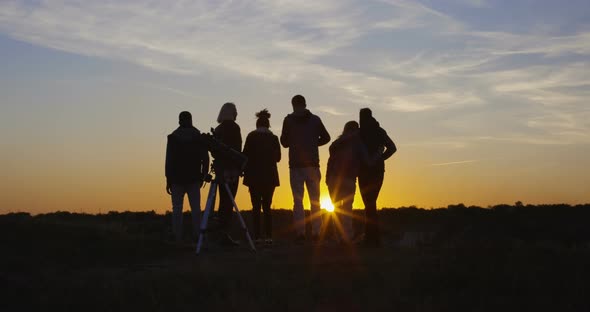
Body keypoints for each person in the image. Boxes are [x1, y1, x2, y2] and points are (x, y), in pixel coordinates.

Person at [280, 94, 331, 242]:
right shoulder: (315, 120)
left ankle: (300, 233)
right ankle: (316, 232)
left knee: (298, 201)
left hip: (296, 165)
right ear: (305, 104)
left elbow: (284, 142)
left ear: (293, 105)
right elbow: (326, 138)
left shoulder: (288, 120)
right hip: (313, 165)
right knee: (315, 200)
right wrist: (313, 143)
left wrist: (295, 142)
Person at [165, 111, 210, 242]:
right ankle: (199, 237)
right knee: (196, 209)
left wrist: (168, 179)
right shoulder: (198, 136)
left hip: (177, 179)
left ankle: (177, 237)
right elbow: (205, 158)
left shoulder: (173, 137)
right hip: (194, 178)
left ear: (179, 121)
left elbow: (169, 160)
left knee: (177, 209)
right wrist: (204, 174)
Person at [358, 108, 397, 246]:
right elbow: (392, 147)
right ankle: (372, 238)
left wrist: (380, 159)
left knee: (369, 204)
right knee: (370, 204)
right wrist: (380, 159)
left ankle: (371, 238)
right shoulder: (379, 131)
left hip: (365, 172)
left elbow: (392, 147)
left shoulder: (360, 132)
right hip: (377, 171)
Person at [326, 121, 369, 243]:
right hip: (347, 179)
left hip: (334, 179)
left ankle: (340, 236)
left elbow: (331, 156)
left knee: (338, 209)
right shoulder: (357, 143)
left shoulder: (337, 143)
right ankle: (347, 236)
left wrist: (327, 179)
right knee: (346, 209)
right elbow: (366, 160)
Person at [242, 109, 281, 244]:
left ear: (257, 124)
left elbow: (244, 155)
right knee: (267, 207)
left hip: (253, 177)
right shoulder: (274, 138)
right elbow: (278, 158)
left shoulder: (251, 137)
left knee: (256, 207)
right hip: (270, 177)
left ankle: (257, 236)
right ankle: (269, 236)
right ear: (268, 124)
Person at [212, 102, 242, 245]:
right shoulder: (235, 128)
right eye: (235, 111)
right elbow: (237, 150)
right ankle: (224, 233)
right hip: (232, 171)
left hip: (220, 170)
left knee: (222, 200)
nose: (237, 113)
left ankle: (220, 233)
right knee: (228, 202)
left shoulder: (218, 129)